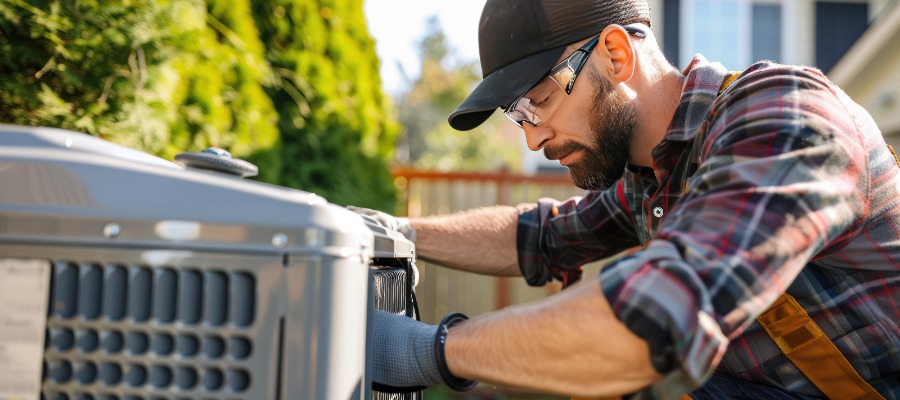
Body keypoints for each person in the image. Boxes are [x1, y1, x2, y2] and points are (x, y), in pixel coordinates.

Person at [355, 0, 900, 398]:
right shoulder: (651, 173)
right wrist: (393, 232)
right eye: (518, 114)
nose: (532, 137)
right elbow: (539, 236)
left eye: (539, 100)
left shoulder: (783, 119)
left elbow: (650, 322)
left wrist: (427, 351)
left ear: (615, 54)